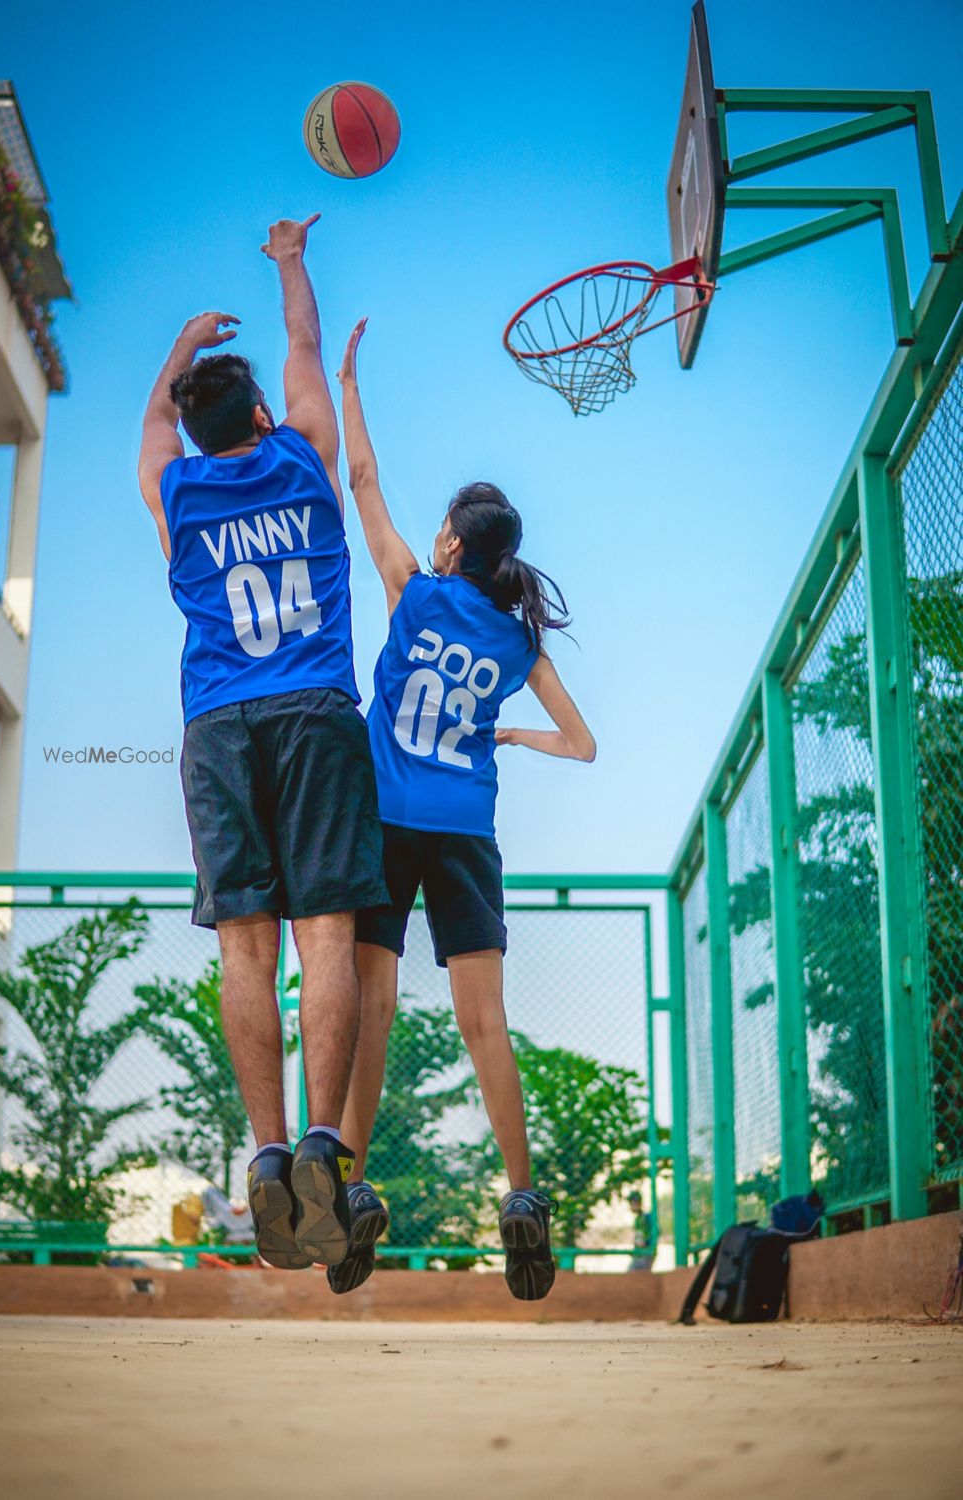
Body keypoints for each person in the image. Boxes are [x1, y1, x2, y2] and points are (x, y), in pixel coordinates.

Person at [136, 217, 388, 1272]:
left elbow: (153, 419)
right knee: (326, 934)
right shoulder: (305, 457)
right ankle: (326, 1143)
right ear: (262, 415)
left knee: (247, 945)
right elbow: (301, 349)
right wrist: (288, 261)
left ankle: (269, 1151)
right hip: (315, 713)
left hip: (219, 726)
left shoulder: (177, 491)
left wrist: (178, 351)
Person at [328, 318, 597, 1300]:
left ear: (451, 541)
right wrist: (513, 735)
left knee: (373, 1011)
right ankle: (522, 1201)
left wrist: (351, 384)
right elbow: (585, 744)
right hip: (465, 834)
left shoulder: (411, 592)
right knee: (487, 1025)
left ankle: (354, 1188)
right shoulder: (517, 645)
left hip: (387, 826)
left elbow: (362, 485)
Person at [628, 1190, 655, 1272]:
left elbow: (656, 1232)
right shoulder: (637, 1219)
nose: (632, 1206)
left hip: (646, 1251)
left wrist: (647, 1242)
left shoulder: (647, 1217)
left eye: (633, 1204)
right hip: (639, 1253)